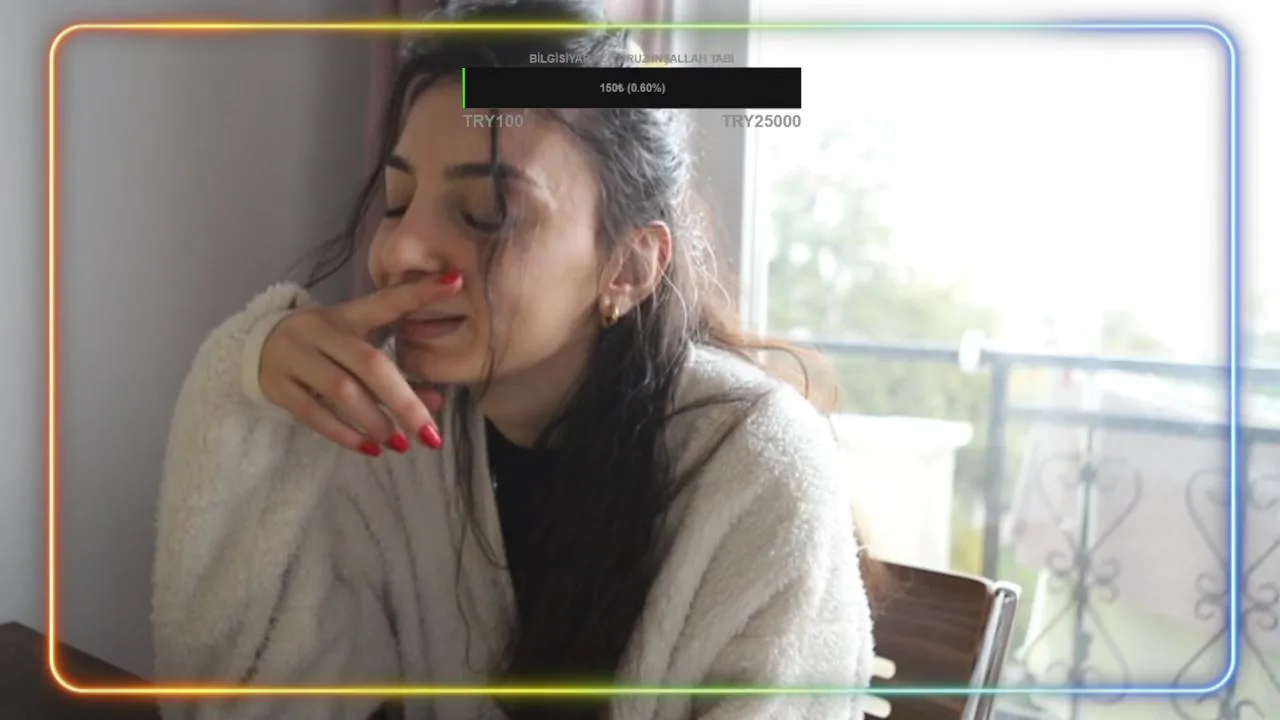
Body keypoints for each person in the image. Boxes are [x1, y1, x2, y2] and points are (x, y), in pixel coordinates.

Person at [152, 0, 875, 718]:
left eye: (486, 213)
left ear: (628, 266)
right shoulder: (400, 437)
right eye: (398, 201)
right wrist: (249, 396)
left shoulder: (757, 471)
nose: (398, 251)